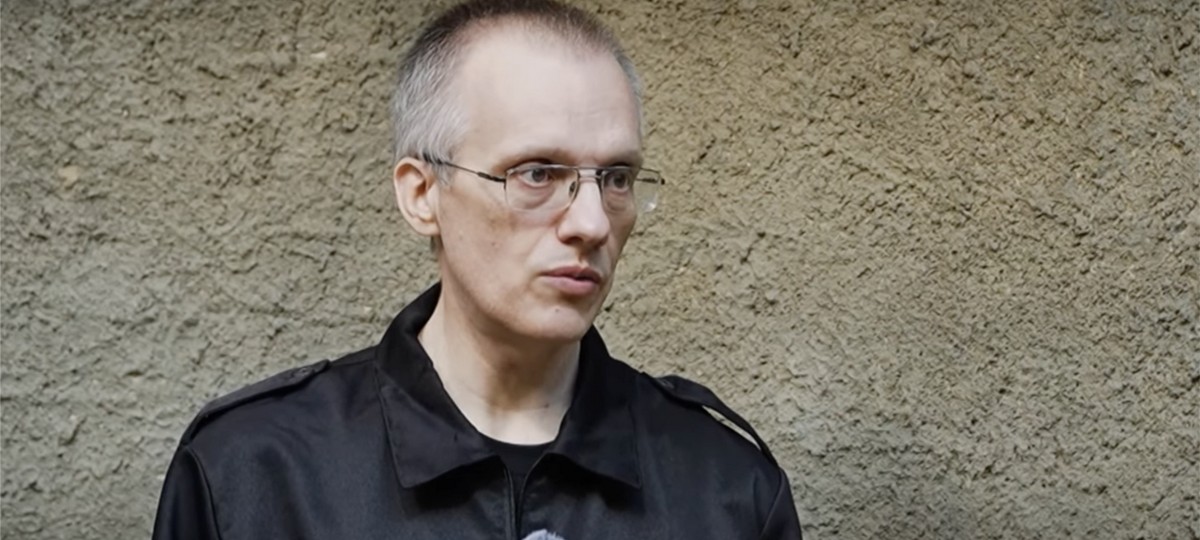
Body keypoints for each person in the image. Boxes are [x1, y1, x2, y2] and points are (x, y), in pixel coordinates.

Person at [151, 1, 803, 538]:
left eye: (616, 177)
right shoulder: (252, 476)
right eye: (537, 173)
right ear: (422, 195)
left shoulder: (726, 489)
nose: (592, 222)